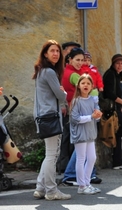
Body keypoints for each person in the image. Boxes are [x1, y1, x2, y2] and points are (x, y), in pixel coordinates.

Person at [32, 40, 71, 200]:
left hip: (43, 116)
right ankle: (51, 190)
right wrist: (64, 93)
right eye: (52, 51)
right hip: (50, 116)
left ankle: (41, 188)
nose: (55, 53)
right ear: (45, 54)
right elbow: (60, 95)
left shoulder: (42, 71)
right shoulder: (49, 72)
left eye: (57, 51)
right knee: (52, 155)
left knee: (50, 154)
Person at [69, 73, 102, 195]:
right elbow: (75, 119)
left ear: (92, 86)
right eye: (83, 83)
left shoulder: (93, 100)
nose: (85, 85)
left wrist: (98, 116)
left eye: (88, 83)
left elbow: (96, 117)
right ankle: (81, 185)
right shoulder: (76, 101)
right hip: (80, 134)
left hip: (90, 133)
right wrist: (91, 117)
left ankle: (87, 183)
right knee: (81, 158)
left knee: (92, 157)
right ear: (78, 86)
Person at [102, 54, 122, 170]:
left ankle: (118, 162)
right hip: (113, 110)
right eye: (117, 63)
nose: (120, 66)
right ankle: (117, 159)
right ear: (113, 64)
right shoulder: (110, 75)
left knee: (118, 134)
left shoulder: (116, 75)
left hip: (116, 109)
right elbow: (109, 93)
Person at [57, 47, 85, 174]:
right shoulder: (73, 74)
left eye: (82, 60)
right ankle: (70, 169)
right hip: (73, 110)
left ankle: (64, 167)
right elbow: (88, 89)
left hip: (69, 109)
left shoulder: (65, 71)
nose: (80, 63)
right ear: (70, 59)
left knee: (67, 139)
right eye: (77, 60)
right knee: (74, 141)